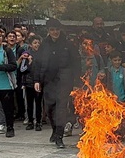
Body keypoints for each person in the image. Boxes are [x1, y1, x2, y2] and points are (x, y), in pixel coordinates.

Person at [32, 19, 83, 149]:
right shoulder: (44, 45)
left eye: (57, 29)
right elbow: (37, 63)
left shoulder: (68, 44)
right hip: (48, 81)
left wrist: (76, 81)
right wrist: (37, 80)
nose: (55, 32)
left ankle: (59, 136)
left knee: (61, 109)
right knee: (49, 108)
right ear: (48, 31)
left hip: (64, 81)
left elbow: (76, 63)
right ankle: (55, 130)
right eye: (52, 30)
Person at [21, 35, 42, 131]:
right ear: (30, 44)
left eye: (38, 43)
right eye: (34, 43)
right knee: (29, 104)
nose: (37, 45)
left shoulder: (43, 55)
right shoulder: (26, 55)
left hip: (39, 83)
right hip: (29, 83)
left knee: (38, 103)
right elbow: (22, 69)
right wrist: (29, 63)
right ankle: (30, 121)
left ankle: (38, 122)